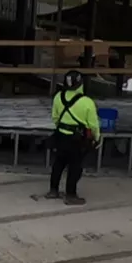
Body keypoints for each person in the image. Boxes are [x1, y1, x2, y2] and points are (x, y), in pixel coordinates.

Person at [46, 70, 102, 205]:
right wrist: (96, 137)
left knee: (58, 163)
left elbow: (55, 117)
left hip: (60, 135)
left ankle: (53, 190)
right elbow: (93, 124)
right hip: (77, 139)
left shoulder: (58, 97)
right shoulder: (87, 102)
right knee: (75, 166)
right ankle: (71, 194)